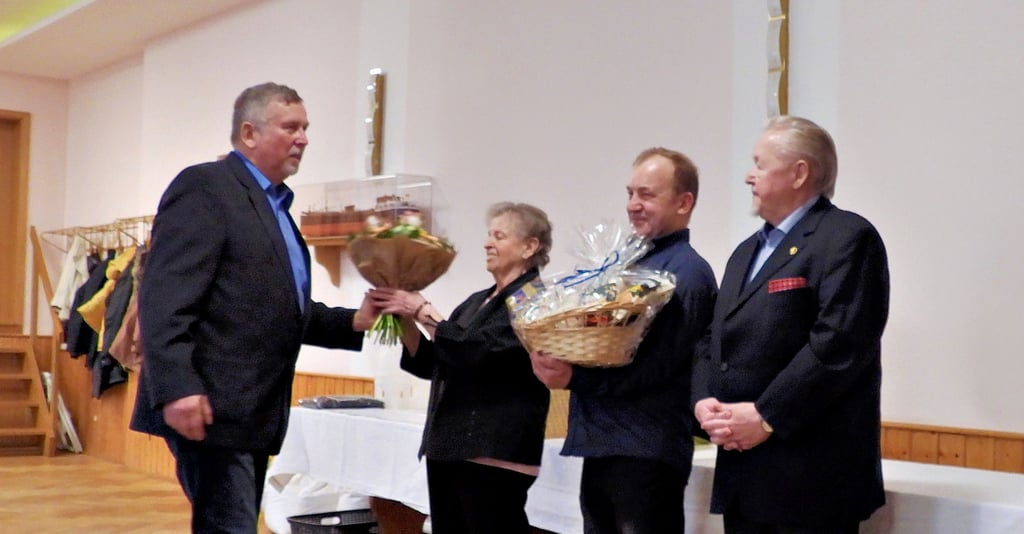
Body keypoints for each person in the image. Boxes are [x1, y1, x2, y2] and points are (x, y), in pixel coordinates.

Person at [130, 82, 374, 533]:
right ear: (249, 133)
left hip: (253, 411)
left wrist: (353, 321)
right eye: (290, 127)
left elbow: (276, 307)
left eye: (305, 128)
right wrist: (177, 387)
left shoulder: (276, 207)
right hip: (212, 405)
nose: (303, 138)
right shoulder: (207, 187)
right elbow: (165, 296)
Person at [693, 116, 890, 533]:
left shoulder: (848, 238)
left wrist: (767, 416)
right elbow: (712, 338)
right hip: (744, 474)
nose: (749, 176)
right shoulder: (745, 253)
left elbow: (837, 346)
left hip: (811, 480)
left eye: (760, 164)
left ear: (799, 173)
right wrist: (704, 401)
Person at [531, 148, 718, 534]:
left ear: (684, 203)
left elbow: (658, 367)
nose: (633, 205)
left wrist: (574, 378)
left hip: (646, 448)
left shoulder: (688, 273)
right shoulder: (625, 266)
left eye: (647, 194)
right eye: (630, 193)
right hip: (605, 441)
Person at [367, 202, 553, 534]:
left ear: (529, 246)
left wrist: (423, 310)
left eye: (499, 236)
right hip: (451, 444)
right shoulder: (476, 301)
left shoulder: (534, 300)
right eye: (489, 235)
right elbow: (436, 361)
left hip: (494, 448)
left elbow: (478, 352)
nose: (487, 243)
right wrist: (404, 318)